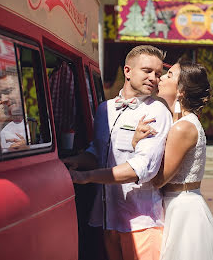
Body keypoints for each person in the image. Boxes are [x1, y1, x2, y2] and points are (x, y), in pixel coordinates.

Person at [66, 45, 172, 260]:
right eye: (147, 71)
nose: (154, 78)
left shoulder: (156, 110)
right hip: (106, 218)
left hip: (141, 221)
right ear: (127, 71)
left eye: (158, 74)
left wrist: (86, 177)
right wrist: (70, 162)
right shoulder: (104, 109)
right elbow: (97, 152)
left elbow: (143, 168)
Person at [132, 58, 213, 260]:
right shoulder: (181, 122)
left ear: (181, 91)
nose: (161, 78)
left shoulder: (183, 127)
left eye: (169, 75)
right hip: (178, 203)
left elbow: (158, 179)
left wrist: (137, 145)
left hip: (182, 209)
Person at [0, 74, 28, 151]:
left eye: (8, 91)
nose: (3, 99)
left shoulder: (45, 117)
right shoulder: (3, 135)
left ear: (21, 89)